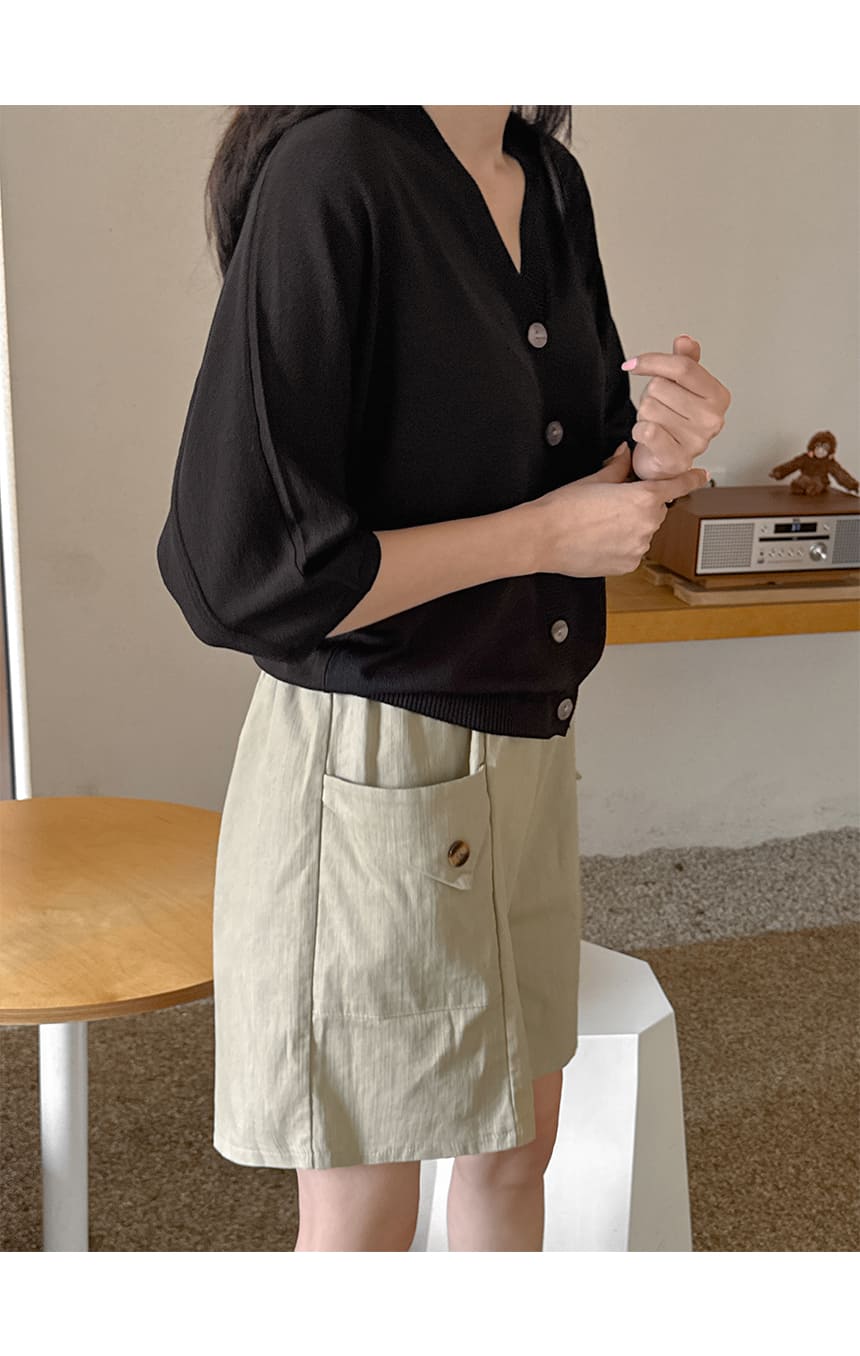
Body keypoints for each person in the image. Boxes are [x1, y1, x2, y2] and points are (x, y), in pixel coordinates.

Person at [156, 104, 726, 1251]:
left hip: (525, 749)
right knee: (364, 1208)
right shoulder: (332, 174)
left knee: (516, 1153)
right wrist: (543, 537)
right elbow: (244, 573)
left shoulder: (545, 178)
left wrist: (660, 453)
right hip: (372, 764)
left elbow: (575, 474)